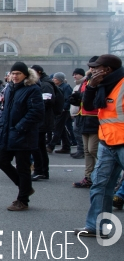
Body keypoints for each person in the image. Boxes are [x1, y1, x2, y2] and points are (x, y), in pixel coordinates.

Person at [73, 54, 124, 238]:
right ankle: (96, 226)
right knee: (100, 186)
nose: (92, 70)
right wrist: (92, 87)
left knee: (101, 186)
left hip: (120, 142)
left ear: (107, 70)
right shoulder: (101, 85)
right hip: (108, 141)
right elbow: (88, 105)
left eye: (96, 67)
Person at [0, 62, 44, 211]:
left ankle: (23, 199)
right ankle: (26, 187)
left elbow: (36, 112)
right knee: (2, 161)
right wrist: (3, 126)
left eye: (18, 74)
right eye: (13, 73)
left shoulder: (32, 89)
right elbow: (6, 109)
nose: (15, 76)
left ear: (25, 75)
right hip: (8, 132)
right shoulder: (10, 88)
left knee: (23, 167)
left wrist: (19, 127)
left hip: (24, 134)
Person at [70, 58, 100, 188]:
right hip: (83, 116)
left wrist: (82, 97)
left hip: (95, 117)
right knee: (87, 151)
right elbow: (82, 97)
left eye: (94, 66)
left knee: (93, 149)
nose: (91, 69)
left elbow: (95, 98)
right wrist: (76, 99)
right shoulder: (86, 81)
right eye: (90, 67)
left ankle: (103, 175)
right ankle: (89, 177)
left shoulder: (100, 81)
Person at [29, 64, 55, 181]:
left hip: (42, 121)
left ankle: (40, 170)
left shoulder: (45, 85)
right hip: (41, 120)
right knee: (39, 147)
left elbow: (45, 103)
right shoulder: (43, 83)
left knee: (37, 147)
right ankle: (42, 171)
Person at [47, 72, 73, 154]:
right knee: (61, 129)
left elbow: (68, 99)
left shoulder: (66, 87)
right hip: (59, 110)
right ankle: (66, 146)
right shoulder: (58, 87)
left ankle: (51, 146)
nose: (53, 79)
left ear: (59, 79)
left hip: (63, 111)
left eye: (55, 78)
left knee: (57, 128)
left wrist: (64, 108)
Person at [69, 68, 87, 159]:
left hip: (81, 112)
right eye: (73, 74)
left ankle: (81, 151)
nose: (74, 76)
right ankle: (80, 150)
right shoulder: (77, 85)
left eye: (76, 74)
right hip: (77, 112)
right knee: (76, 131)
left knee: (78, 131)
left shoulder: (83, 84)